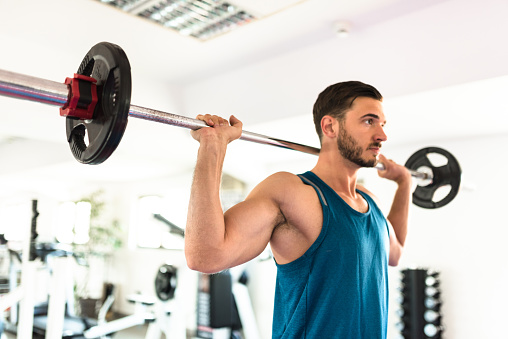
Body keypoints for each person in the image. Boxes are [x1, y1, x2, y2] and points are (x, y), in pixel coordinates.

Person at [185, 81, 412, 338]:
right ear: (330, 126)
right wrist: (212, 146)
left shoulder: (371, 202)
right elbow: (204, 256)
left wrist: (405, 184)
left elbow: (395, 254)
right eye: (369, 121)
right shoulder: (291, 191)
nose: (382, 135)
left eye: (382, 124)